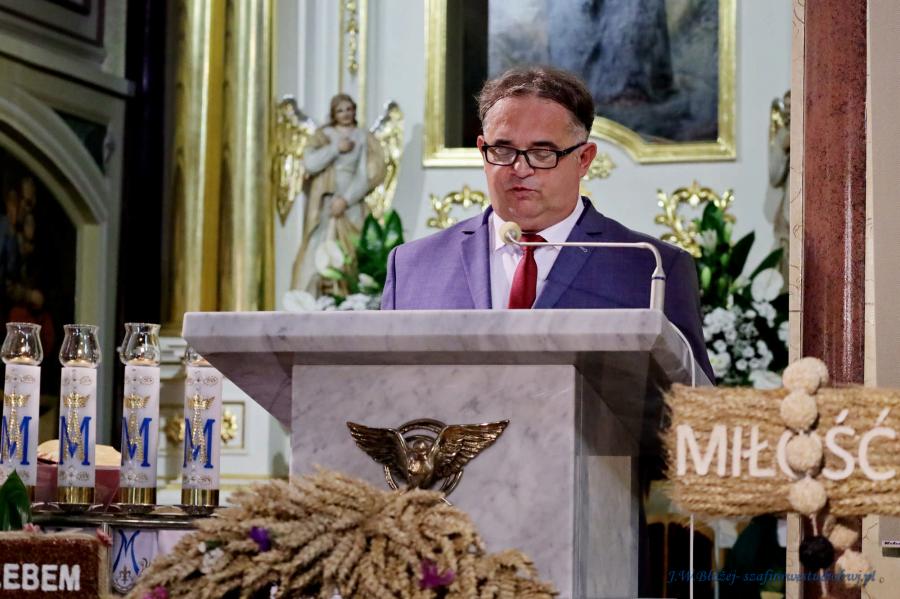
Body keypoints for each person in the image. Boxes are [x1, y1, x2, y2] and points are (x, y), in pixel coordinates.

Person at [381, 66, 713, 381]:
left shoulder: (651, 266)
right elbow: (383, 391)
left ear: (584, 159)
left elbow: (692, 407)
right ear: (483, 151)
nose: (520, 169)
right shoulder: (414, 266)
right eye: (503, 150)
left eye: (543, 153)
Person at [291, 94, 385, 294]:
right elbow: (310, 164)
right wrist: (335, 148)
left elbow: (366, 174)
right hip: (325, 203)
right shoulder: (323, 136)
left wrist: (346, 200)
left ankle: (349, 297)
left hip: (351, 204)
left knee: (352, 252)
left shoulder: (363, 137)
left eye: (349, 109)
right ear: (333, 113)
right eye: (340, 110)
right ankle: (312, 297)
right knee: (317, 252)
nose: (345, 114)